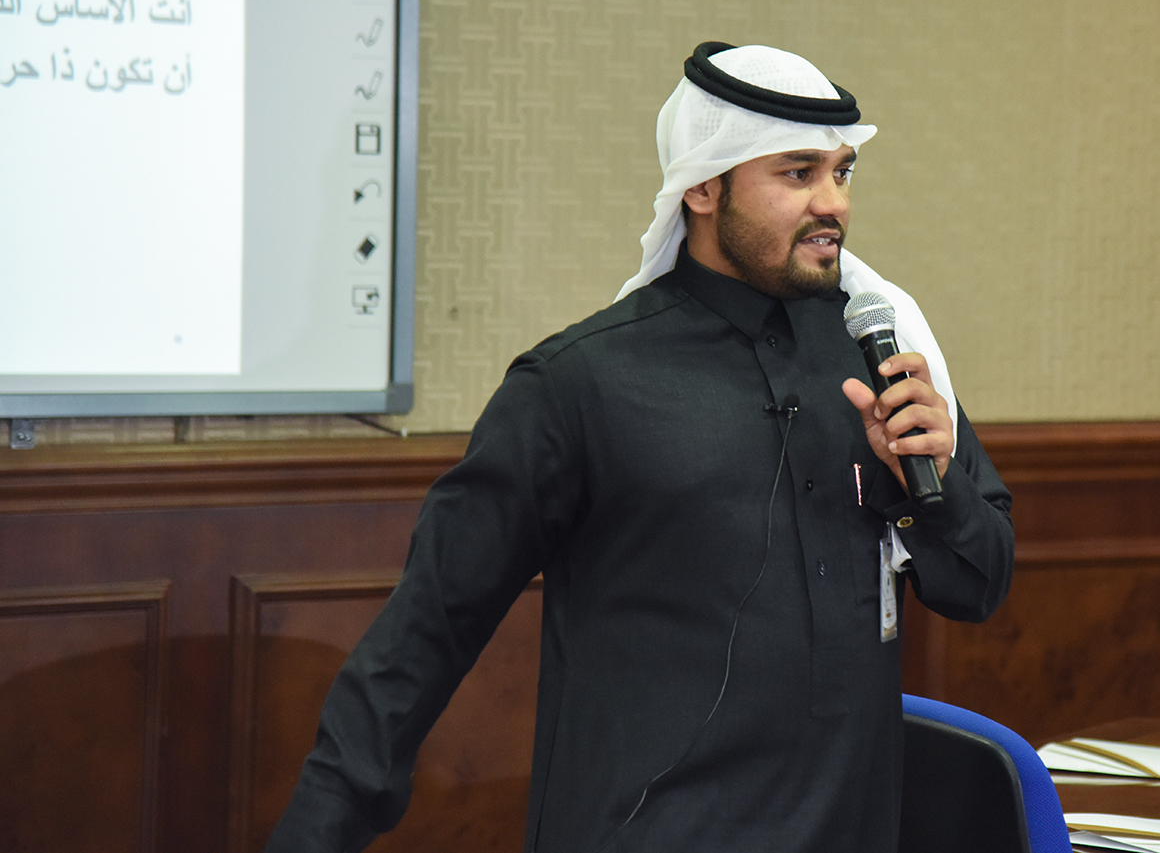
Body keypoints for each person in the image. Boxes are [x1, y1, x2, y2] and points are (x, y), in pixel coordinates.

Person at [267, 42, 1015, 853]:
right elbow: (426, 632)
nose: (832, 202)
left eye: (842, 172)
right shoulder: (580, 384)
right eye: (798, 173)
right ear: (703, 186)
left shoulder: (881, 356)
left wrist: (931, 488)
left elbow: (979, 583)